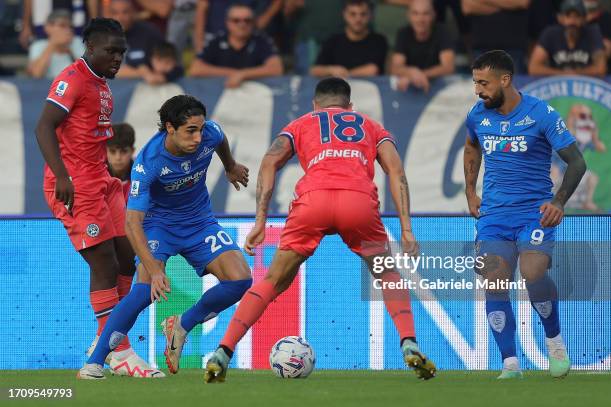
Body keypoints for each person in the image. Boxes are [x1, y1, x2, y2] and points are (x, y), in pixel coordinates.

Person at [204, 77, 437, 383]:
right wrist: (406, 228)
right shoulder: (370, 125)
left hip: (312, 201)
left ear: (315, 105)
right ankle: (409, 342)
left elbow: (270, 161)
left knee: (273, 280)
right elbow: (395, 169)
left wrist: (261, 219)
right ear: (349, 106)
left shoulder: (302, 123)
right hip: (358, 203)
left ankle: (224, 350)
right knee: (387, 274)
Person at [79, 95, 252, 380]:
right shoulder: (148, 163)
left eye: (200, 128)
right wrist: (154, 268)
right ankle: (94, 363)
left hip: (200, 222)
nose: (198, 137)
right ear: (170, 128)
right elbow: (132, 223)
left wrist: (231, 166)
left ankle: (183, 325)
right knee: (145, 290)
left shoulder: (210, 132)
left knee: (241, 279)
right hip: (159, 227)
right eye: (190, 131)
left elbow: (219, 139)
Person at [35, 17, 160, 378]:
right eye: (111, 51)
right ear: (89, 48)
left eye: (121, 51)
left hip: (103, 181)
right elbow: (43, 126)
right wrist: (61, 175)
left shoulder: (101, 83)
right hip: (76, 186)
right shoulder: (71, 79)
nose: (118, 57)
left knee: (126, 256)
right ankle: (119, 352)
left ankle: (104, 341)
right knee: (103, 262)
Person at [463, 50, 586, 379]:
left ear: (505, 80)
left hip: (534, 213)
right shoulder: (478, 116)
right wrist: (469, 190)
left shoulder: (541, 114)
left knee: (533, 272)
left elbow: (577, 161)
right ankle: (510, 364)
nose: (478, 90)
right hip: (494, 216)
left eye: (483, 83)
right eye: (475, 82)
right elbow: (472, 145)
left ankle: (555, 343)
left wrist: (558, 202)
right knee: (494, 281)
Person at [189, 3, 283, 88]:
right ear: (227, 23)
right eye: (236, 20)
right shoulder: (216, 41)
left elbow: (276, 68)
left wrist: (243, 74)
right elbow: (195, 69)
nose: (242, 24)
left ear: (253, 23)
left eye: (247, 20)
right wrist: (234, 74)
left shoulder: (261, 40)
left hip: (254, 94)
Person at [528, 0, 607, 77]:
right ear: (560, 18)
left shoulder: (592, 33)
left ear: (584, 19)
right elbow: (533, 68)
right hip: (556, 86)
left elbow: (600, 69)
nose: (572, 21)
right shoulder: (550, 34)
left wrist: (574, 74)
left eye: (577, 16)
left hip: (586, 87)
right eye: (568, 16)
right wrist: (563, 74)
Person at [310, 0, 388, 78]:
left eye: (363, 14)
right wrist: (330, 70)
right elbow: (314, 70)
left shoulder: (379, 40)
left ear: (370, 16)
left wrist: (345, 73)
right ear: (344, 14)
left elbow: (372, 70)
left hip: (370, 87)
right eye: (352, 14)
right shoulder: (333, 40)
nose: (358, 19)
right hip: (338, 88)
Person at [390, 0, 454, 92]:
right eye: (415, 13)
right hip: (409, 91)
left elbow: (448, 67)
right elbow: (395, 68)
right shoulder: (403, 33)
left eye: (425, 14)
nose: (420, 19)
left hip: (438, 91)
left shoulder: (442, 32)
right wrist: (412, 72)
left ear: (433, 15)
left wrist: (418, 75)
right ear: (409, 16)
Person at [461, 0, 531, 73]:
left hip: (513, 48)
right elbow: (467, 7)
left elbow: (522, 2)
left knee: (514, 83)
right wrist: (506, 6)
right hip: (481, 47)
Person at [109, 0, 166, 80]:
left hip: (146, 89)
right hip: (110, 89)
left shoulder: (150, 34)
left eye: (125, 12)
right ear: (109, 15)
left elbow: (169, 67)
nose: (120, 17)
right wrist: (139, 72)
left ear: (133, 13)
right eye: (115, 13)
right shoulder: (101, 36)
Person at [27, 9, 86, 79]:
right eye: (62, 26)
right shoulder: (37, 45)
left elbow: (86, 74)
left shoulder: (77, 42)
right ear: (48, 28)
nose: (68, 30)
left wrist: (68, 50)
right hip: (46, 88)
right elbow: (36, 74)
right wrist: (52, 44)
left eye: (70, 27)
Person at [107, 122, 136, 202]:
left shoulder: (141, 176)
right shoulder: (96, 177)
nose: (118, 157)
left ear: (132, 151)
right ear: (105, 151)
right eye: (113, 151)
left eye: (124, 151)